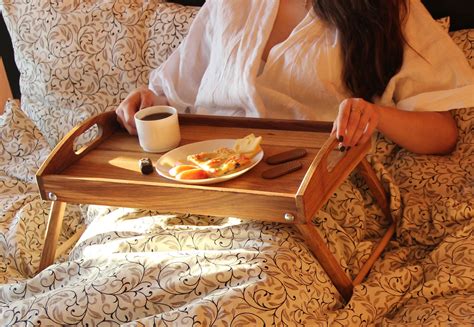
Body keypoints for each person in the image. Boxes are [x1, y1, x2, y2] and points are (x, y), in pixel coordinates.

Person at [116, 0, 474, 155]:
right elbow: (173, 93)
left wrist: (374, 115)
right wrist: (147, 103)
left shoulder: (385, 10)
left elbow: (442, 134)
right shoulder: (229, 5)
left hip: (311, 194)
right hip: (204, 178)